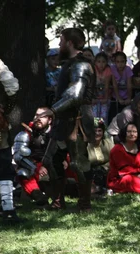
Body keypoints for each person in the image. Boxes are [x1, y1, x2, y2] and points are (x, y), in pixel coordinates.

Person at [38, 27, 96, 212]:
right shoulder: (69, 64)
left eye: (62, 41)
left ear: (70, 43)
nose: (60, 44)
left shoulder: (81, 65)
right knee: (50, 159)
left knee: (79, 163)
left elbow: (75, 95)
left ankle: (84, 204)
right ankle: (57, 202)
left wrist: (52, 111)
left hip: (76, 121)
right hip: (63, 120)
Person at [12, 107, 53, 207]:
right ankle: (39, 198)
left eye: (42, 116)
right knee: (23, 173)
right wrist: (36, 168)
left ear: (50, 120)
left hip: (53, 165)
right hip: (34, 166)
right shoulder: (26, 134)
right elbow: (18, 156)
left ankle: (88, 194)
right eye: (36, 115)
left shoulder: (56, 134)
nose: (38, 118)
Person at [87, 117, 114, 195]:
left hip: (107, 172)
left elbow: (114, 159)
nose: (97, 133)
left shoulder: (108, 143)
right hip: (91, 174)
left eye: (99, 131)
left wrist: (105, 167)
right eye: (94, 131)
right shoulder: (85, 145)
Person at [109, 51, 133, 121]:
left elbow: (129, 84)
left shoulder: (128, 69)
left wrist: (129, 97)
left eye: (122, 62)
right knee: (113, 117)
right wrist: (118, 98)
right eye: (118, 62)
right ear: (115, 62)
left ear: (125, 62)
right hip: (115, 97)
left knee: (126, 118)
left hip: (126, 97)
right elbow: (114, 84)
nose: (120, 64)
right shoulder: (112, 69)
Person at [93, 52, 112, 122]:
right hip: (95, 96)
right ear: (95, 62)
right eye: (98, 62)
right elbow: (92, 84)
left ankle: (103, 131)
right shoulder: (93, 69)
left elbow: (107, 85)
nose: (101, 64)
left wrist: (106, 98)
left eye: (103, 62)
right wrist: (93, 97)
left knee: (104, 117)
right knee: (94, 116)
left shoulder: (108, 70)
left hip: (105, 96)